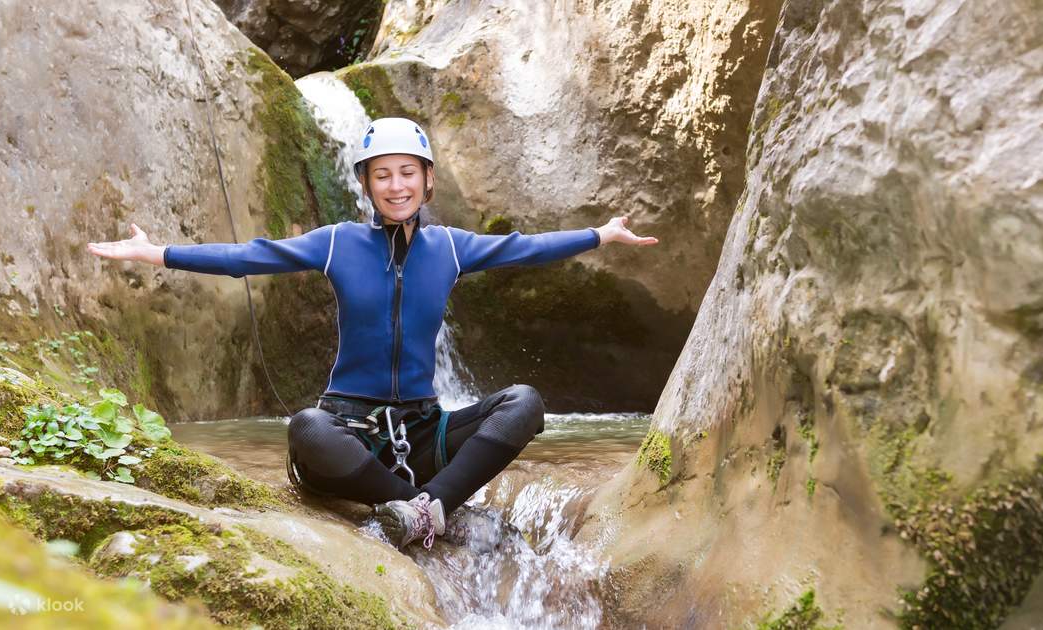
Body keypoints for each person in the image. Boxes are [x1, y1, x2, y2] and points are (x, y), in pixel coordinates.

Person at [87, 117, 658, 548]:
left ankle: (424, 510)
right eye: (382, 175)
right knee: (306, 428)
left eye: (407, 172)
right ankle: (424, 507)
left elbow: (525, 248)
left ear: (428, 179)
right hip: (349, 434)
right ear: (365, 183)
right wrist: (157, 252)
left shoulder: (451, 247)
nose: (396, 185)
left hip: (424, 432)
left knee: (524, 403)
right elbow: (249, 257)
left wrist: (599, 235)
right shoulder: (337, 240)